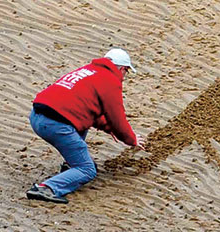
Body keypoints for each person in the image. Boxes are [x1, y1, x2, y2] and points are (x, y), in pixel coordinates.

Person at [26, 49, 143, 204]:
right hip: (56, 125)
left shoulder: (89, 70)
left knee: (81, 123)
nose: (124, 77)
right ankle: (46, 188)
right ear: (122, 69)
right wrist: (131, 139)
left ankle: (70, 166)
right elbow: (117, 118)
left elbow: (90, 111)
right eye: (126, 72)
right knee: (87, 170)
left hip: (37, 116)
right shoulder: (110, 80)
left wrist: (110, 129)